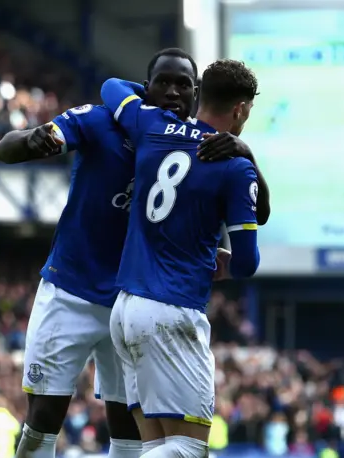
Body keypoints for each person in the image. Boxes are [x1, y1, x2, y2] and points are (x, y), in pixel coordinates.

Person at [0, 48, 270, 458]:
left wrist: (245, 153)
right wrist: (30, 139)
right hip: (71, 289)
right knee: (44, 416)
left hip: (126, 299)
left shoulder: (205, 147)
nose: (173, 92)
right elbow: (8, 148)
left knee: (129, 430)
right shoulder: (101, 120)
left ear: (197, 94)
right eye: (164, 82)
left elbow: (257, 210)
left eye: (184, 85)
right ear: (146, 85)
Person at [100, 58, 261, 458]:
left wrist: (152, 94)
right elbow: (246, 263)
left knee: (157, 445)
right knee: (190, 448)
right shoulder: (235, 166)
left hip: (125, 308)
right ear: (240, 109)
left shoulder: (152, 126)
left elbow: (111, 85)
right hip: (172, 311)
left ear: (200, 94)